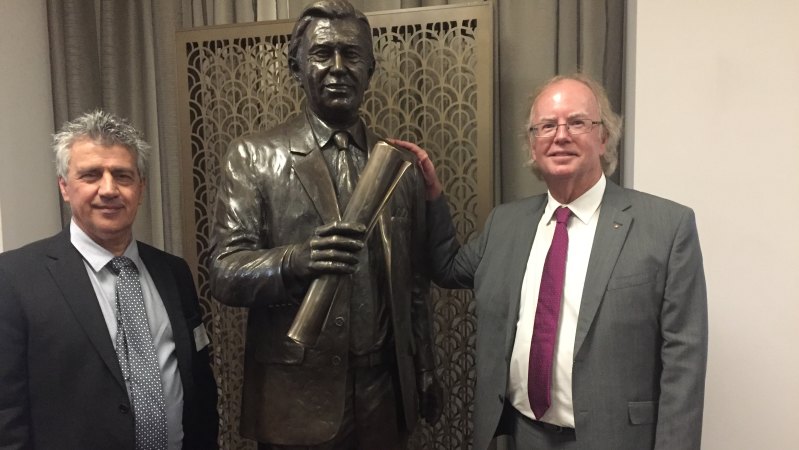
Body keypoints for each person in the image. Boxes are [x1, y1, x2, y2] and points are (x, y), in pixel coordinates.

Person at [392, 73, 708, 450]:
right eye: (546, 126)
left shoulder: (666, 227)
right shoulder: (505, 224)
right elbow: (447, 268)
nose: (560, 135)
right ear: (532, 142)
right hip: (520, 435)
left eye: (577, 122)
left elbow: (684, 361)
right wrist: (432, 196)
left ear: (604, 136)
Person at [209, 1, 442, 449]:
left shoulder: (400, 168)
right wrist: (294, 261)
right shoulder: (254, 156)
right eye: (322, 53)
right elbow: (224, 272)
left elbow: (414, 284)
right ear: (296, 66)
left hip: (384, 395)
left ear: (371, 69)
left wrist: (425, 367)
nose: (338, 67)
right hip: (295, 396)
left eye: (351, 54)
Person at [0, 110, 219, 450]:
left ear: (141, 188)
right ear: (64, 187)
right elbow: (6, 412)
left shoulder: (173, 272)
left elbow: (199, 386)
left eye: (123, 175)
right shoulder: (14, 278)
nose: (109, 189)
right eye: (90, 175)